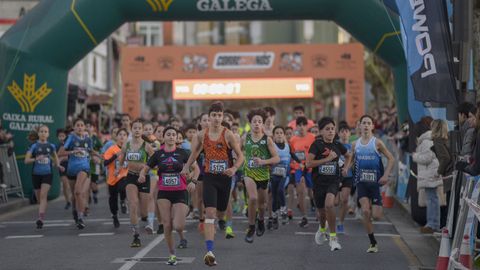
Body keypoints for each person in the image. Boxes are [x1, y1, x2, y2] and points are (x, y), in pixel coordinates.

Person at [181, 102, 244, 266]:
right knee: (209, 213)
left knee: (221, 211)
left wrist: (234, 168)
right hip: (209, 176)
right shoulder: (202, 135)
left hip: (225, 178)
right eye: (214, 115)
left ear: (222, 117)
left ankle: (222, 220)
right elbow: (195, 152)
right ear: (209, 117)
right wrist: (186, 167)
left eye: (219, 115)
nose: (216, 118)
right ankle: (209, 251)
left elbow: (240, 156)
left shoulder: (228, 134)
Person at [139, 127, 197, 266]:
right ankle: (172, 255)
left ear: (177, 138)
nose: (171, 137)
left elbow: (197, 168)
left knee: (178, 225)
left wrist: (193, 181)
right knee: (167, 224)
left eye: (174, 135)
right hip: (164, 192)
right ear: (164, 138)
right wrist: (142, 175)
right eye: (168, 135)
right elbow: (146, 168)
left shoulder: (183, 153)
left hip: (180, 191)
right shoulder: (158, 154)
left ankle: (183, 227)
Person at [351, 115, 395, 253]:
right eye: (363, 123)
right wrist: (345, 168)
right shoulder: (355, 144)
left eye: (368, 123)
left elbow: (391, 158)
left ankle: (371, 213)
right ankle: (372, 242)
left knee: (376, 216)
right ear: (359, 126)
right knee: (365, 211)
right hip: (361, 182)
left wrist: (386, 175)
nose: (365, 125)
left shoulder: (378, 143)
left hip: (375, 183)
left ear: (372, 126)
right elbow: (351, 160)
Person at [307, 117, 351, 251]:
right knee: (321, 212)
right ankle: (321, 229)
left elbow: (349, 156)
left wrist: (345, 168)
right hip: (318, 182)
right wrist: (327, 159)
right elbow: (308, 163)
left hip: (333, 181)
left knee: (329, 205)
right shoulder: (316, 145)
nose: (331, 131)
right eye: (327, 129)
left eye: (332, 129)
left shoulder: (337, 145)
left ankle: (333, 238)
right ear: (321, 131)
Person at [242, 109, 280, 243]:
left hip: (263, 174)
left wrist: (264, 161)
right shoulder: (244, 138)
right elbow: (238, 152)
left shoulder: (267, 140)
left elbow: (276, 158)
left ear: (263, 124)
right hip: (249, 173)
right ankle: (251, 227)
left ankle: (261, 221)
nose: (257, 124)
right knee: (252, 198)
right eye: (254, 121)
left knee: (262, 204)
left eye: (259, 121)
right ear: (250, 124)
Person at [117, 119, 154, 247]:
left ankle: (146, 219)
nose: (137, 130)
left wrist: (147, 169)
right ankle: (136, 235)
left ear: (142, 130)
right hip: (131, 177)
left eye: (139, 128)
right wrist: (118, 170)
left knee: (143, 210)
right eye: (135, 128)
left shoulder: (147, 146)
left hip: (144, 177)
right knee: (133, 204)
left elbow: (154, 161)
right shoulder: (126, 145)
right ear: (131, 130)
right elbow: (121, 160)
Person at [59, 118, 97, 229]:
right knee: (74, 196)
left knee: (78, 191)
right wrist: (73, 151)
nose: (80, 127)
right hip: (71, 170)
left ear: (84, 127)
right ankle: (75, 211)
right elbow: (61, 153)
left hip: (84, 168)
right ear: (74, 127)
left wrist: (101, 156)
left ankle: (80, 218)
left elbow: (91, 151)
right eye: (78, 125)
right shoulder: (71, 138)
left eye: (82, 125)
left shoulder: (88, 139)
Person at [25, 125, 64, 229]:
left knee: (43, 196)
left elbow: (56, 159)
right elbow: (26, 160)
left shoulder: (51, 146)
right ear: (38, 134)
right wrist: (36, 159)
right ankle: (41, 213)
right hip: (36, 175)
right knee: (39, 199)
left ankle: (40, 219)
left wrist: (59, 166)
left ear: (48, 134)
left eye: (45, 131)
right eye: (41, 131)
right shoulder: (34, 146)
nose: (43, 133)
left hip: (47, 174)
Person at [412, 122, 442, 234]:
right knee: (432, 199)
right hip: (431, 173)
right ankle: (433, 223)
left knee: (431, 199)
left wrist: (415, 156)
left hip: (430, 174)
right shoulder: (429, 139)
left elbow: (428, 157)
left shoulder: (425, 141)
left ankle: (432, 224)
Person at [289, 116, 316, 227]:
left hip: (311, 169)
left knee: (313, 192)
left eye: (303, 125)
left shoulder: (313, 138)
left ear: (307, 126)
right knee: (301, 191)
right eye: (299, 125)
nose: (301, 127)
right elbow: (291, 154)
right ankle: (304, 217)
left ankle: (317, 208)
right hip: (298, 169)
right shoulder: (293, 140)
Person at [103, 128, 129, 228]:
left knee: (123, 187)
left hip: (124, 175)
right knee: (112, 199)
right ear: (116, 137)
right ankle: (114, 216)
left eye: (124, 134)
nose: (122, 136)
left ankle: (123, 200)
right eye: (120, 134)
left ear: (127, 137)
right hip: (113, 177)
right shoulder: (111, 149)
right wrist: (115, 156)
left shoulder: (130, 149)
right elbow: (105, 163)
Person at [431, 119, 453, 229]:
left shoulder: (438, 140)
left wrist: (438, 172)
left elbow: (445, 158)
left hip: (449, 174)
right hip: (454, 173)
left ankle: (447, 228)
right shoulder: (448, 139)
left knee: (449, 202)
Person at [270, 126, 291, 228]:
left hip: (284, 175)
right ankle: (274, 217)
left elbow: (293, 155)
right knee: (274, 197)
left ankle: (283, 210)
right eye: (277, 133)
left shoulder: (287, 146)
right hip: (273, 175)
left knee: (280, 190)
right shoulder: (272, 146)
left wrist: (300, 163)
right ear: (273, 136)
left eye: (281, 132)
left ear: (284, 135)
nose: (279, 134)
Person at [336, 122, 354, 234]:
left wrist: (346, 168)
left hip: (348, 176)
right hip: (335, 176)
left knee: (345, 199)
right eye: (342, 132)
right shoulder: (335, 145)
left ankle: (340, 223)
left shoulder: (352, 146)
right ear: (338, 133)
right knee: (335, 202)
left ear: (350, 134)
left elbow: (353, 160)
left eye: (346, 131)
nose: (344, 134)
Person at [56, 128, 72, 210]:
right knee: (65, 184)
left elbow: (70, 155)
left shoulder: (69, 144)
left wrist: (64, 157)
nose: (61, 138)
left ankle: (72, 199)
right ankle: (68, 201)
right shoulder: (57, 146)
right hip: (62, 167)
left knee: (69, 185)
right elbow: (56, 156)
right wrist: (58, 163)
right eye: (60, 136)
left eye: (63, 136)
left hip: (70, 166)